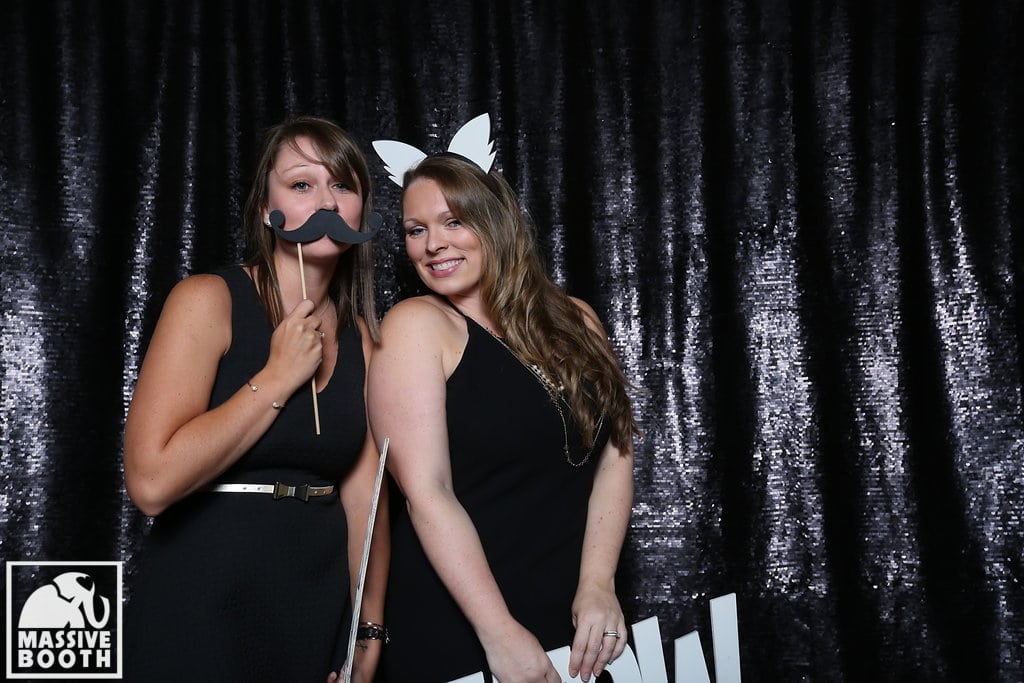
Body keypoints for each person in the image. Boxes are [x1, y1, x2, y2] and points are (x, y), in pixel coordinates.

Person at [123, 116, 388, 682]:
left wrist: (367, 631)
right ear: (267, 208)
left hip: (313, 604)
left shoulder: (363, 339)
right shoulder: (207, 300)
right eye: (301, 184)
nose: (326, 202)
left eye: (342, 185)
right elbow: (151, 483)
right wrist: (277, 377)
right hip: (205, 594)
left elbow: (367, 500)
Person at [368, 138, 637, 683]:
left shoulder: (577, 319)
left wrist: (598, 584)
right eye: (416, 230)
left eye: (453, 221)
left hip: (574, 612)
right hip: (465, 622)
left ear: (496, 221)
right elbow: (427, 492)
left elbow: (616, 453)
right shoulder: (417, 325)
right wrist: (498, 631)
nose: (433, 245)